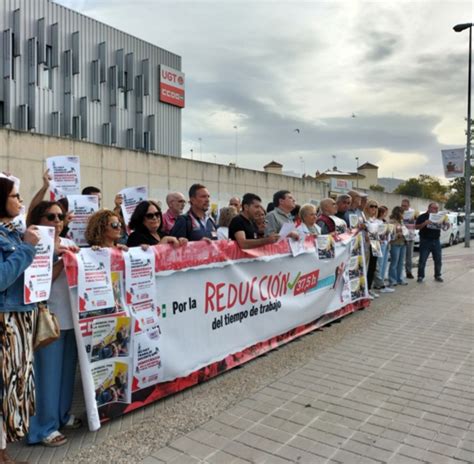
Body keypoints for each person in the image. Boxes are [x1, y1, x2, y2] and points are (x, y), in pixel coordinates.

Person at [26, 202, 81, 448]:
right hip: (47, 319)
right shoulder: (33, 244)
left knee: (67, 373)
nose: (58, 220)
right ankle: (42, 428)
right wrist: (61, 261)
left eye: (60, 216)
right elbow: (39, 283)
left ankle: (61, 415)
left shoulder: (69, 243)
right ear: (39, 219)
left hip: (71, 319)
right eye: (51, 216)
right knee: (47, 375)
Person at [0, 178, 40, 463]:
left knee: (16, 386)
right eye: (15, 195)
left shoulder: (14, 232)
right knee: (5, 387)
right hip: (6, 320)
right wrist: (27, 249)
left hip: (21, 317)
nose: (19, 200)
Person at [416, 202, 446, 283]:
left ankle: (438, 275)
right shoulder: (422, 216)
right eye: (434, 208)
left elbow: (444, 228)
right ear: (429, 208)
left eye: (437, 208)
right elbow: (416, 227)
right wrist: (424, 223)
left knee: (438, 259)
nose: (436, 210)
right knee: (422, 259)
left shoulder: (440, 217)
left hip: (436, 240)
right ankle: (420, 276)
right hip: (425, 240)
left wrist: (446, 224)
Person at [373, 205, 394, 293]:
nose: (386, 214)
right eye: (385, 212)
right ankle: (378, 284)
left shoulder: (384, 221)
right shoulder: (376, 221)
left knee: (384, 263)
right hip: (379, 244)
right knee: (379, 264)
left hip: (386, 243)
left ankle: (381, 282)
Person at [363, 200, 381, 298]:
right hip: (367, 245)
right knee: (367, 267)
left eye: (375, 206)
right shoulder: (364, 218)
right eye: (371, 206)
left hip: (375, 244)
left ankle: (369, 288)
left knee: (373, 268)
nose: (374, 208)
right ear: (367, 207)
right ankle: (365, 290)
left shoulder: (376, 220)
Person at [388, 206, 408, 287]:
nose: (403, 215)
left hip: (403, 243)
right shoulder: (392, 222)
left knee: (401, 263)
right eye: (402, 213)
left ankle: (400, 279)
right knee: (394, 262)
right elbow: (389, 234)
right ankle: (392, 280)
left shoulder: (401, 221)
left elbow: (405, 230)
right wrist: (397, 234)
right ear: (398, 213)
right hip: (395, 243)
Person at [401, 198, 416, 279]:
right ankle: (400, 273)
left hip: (410, 237)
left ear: (409, 206)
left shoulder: (413, 212)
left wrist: (413, 220)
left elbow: (416, 225)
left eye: (405, 206)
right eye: (402, 205)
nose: (403, 207)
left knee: (409, 256)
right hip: (401, 237)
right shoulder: (399, 212)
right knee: (401, 256)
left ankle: (409, 272)